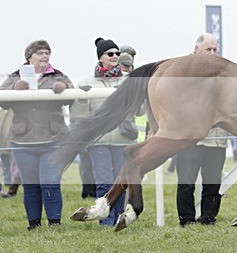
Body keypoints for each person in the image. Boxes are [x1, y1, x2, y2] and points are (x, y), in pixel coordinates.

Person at [0, 40, 74, 230]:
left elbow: (72, 95)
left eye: (47, 52)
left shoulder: (58, 75)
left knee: (50, 184)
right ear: (29, 57)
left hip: (53, 139)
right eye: (40, 53)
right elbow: (3, 100)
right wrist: (14, 89)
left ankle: (54, 224)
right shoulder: (15, 76)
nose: (44, 56)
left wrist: (63, 86)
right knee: (31, 186)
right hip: (22, 140)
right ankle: (34, 224)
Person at [72, 38, 139, 226]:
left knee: (122, 182)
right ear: (101, 57)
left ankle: (119, 218)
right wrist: (83, 97)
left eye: (117, 53)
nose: (116, 57)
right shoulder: (87, 81)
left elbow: (140, 110)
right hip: (98, 141)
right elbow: (78, 114)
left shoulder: (129, 81)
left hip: (123, 139)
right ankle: (106, 221)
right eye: (111, 54)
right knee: (103, 181)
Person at [175, 34, 228, 226]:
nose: (212, 53)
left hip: (217, 138)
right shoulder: (183, 71)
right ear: (197, 49)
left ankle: (208, 218)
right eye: (208, 49)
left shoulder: (223, 72)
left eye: (215, 49)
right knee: (186, 182)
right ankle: (186, 219)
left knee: (213, 182)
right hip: (190, 139)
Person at [0, 107, 22, 198]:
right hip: (4, 143)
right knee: (6, 165)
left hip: (14, 141)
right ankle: (8, 185)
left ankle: (13, 188)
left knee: (16, 167)